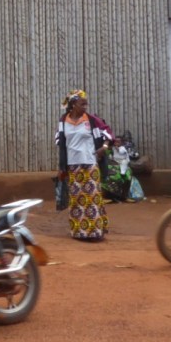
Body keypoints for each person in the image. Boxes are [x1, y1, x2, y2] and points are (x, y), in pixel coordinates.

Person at [55, 89, 112, 242]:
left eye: (86, 104)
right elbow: (60, 142)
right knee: (76, 200)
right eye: (82, 103)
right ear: (73, 104)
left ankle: (94, 232)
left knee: (92, 198)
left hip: (90, 163)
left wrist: (104, 148)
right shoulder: (63, 121)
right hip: (73, 166)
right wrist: (62, 166)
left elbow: (108, 133)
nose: (85, 106)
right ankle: (79, 232)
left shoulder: (92, 120)